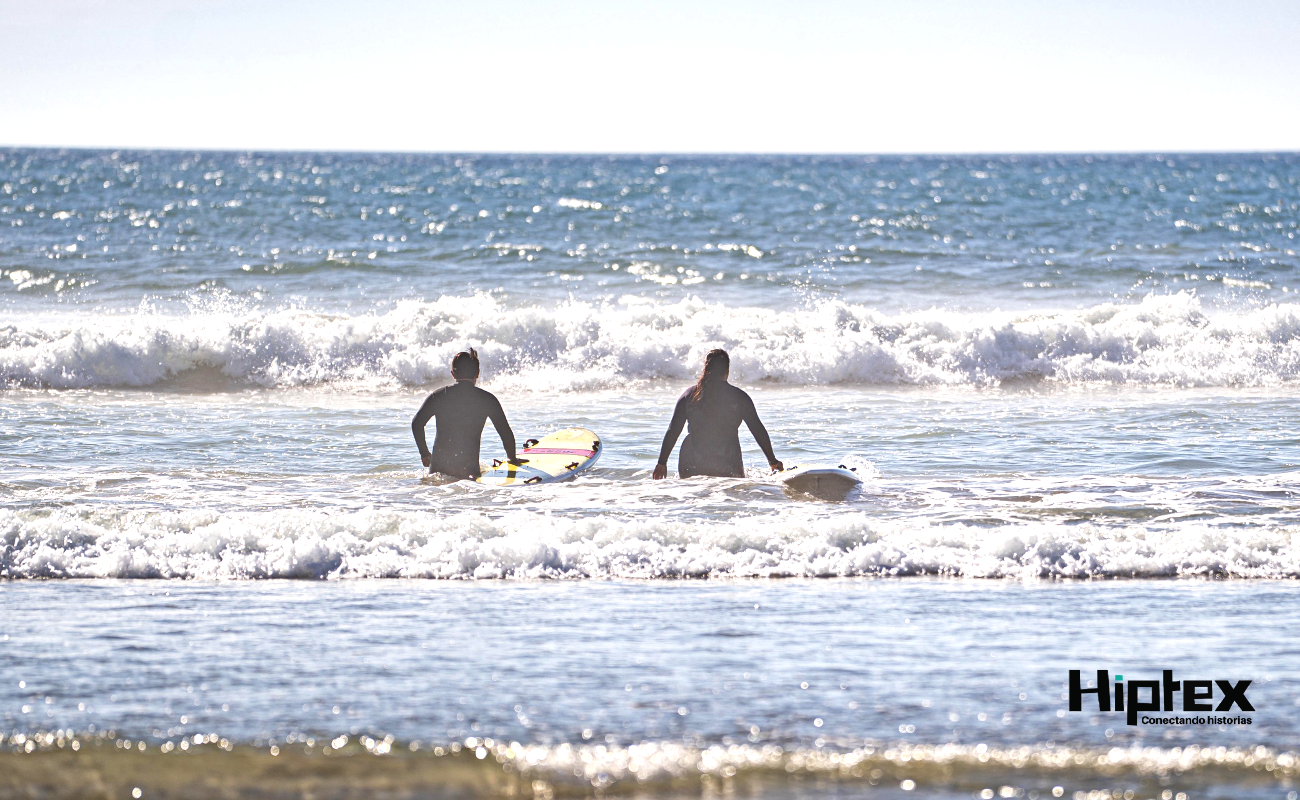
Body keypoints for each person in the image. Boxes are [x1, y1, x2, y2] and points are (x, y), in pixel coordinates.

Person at [653, 349, 783, 479]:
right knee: (727, 497)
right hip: (726, 463)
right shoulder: (739, 397)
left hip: (691, 463)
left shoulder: (689, 395)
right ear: (727, 371)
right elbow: (757, 429)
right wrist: (773, 461)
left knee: (693, 498)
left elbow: (673, 430)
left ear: (706, 369)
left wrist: (662, 463)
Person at [412, 348, 522, 480]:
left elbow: (416, 423)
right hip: (468, 474)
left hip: (438, 472)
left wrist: (424, 453)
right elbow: (506, 434)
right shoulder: (487, 399)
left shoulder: (439, 396)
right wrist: (512, 459)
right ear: (477, 373)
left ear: (453, 374)